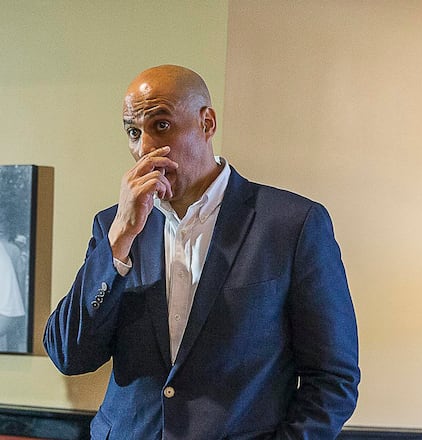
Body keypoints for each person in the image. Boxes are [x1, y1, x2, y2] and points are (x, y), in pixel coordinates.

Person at [44, 65, 360, 438]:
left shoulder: (292, 224)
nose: (144, 148)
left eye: (161, 125)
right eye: (133, 132)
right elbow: (69, 355)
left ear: (207, 123)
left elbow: (333, 378)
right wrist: (119, 239)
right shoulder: (114, 227)